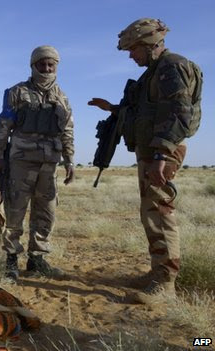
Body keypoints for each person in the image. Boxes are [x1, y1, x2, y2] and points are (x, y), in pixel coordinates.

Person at [88, 18, 202, 304]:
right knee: (151, 212)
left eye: (133, 49)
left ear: (149, 44)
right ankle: (158, 273)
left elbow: (179, 111)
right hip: (152, 150)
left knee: (160, 213)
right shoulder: (153, 73)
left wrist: (162, 155)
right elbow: (146, 111)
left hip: (161, 151)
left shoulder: (172, 66)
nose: (130, 55)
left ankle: (165, 284)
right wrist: (113, 108)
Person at [0, 45, 75, 283]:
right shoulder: (17, 92)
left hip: (49, 164)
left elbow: (67, 130)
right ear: (33, 65)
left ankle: (37, 258)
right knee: (15, 211)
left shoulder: (62, 97)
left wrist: (69, 160)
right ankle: (11, 261)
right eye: (42, 64)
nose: (47, 68)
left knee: (46, 212)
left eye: (51, 65)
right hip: (20, 161)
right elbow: (4, 126)